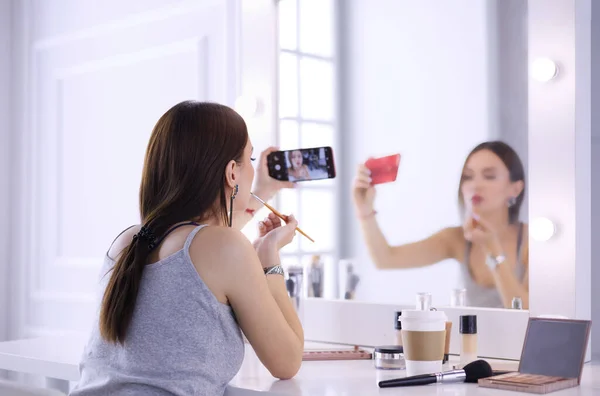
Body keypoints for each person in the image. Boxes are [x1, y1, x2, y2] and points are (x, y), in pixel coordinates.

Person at [70, 101, 303, 396]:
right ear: (232, 172)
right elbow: (288, 361)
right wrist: (270, 258)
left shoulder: (127, 242)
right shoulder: (226, 249)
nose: (253, 171)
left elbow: (202, 245)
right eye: (250, 159)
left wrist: (264, 191)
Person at [352, 141, 528, 309]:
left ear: (515, 189)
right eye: (468, 176)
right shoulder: (457, 239)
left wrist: (493, 250)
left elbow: (526, 314)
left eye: (489, 176)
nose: (475, 184)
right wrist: (365, 211)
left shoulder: (529, 242)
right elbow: (386, 259)